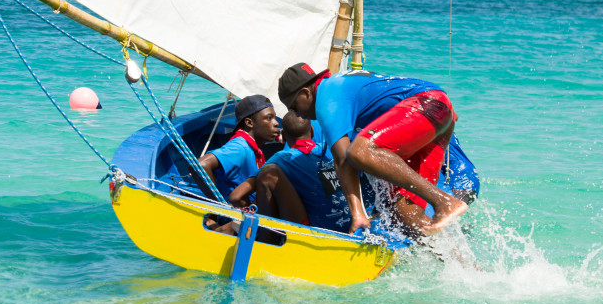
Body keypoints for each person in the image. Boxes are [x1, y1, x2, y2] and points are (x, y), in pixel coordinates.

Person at [278, 63, 468, 238]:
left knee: (359, 151)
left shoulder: (326, 98)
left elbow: (343, 158)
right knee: (404, 217)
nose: (298, 114)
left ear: (305, 93)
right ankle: (465, 267)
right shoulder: (338, 85)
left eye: (294, 107)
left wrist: (358, 214)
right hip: (438, 112)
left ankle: (444, 202)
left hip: (427, 104)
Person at [243, 112, 354, 232]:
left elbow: (236, 195)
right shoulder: (328, 150)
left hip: (316, 232)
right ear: (311, 131)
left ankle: (266, 238)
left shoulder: (283, 158)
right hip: (350, 226)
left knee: (268, 173)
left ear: (283, 136)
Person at [196, 94, 279, 207]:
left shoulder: (252, 147)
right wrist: (219, 206)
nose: (276, 123)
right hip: (236, 214)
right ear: (249, 123)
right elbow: (200, 165)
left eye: (274, 117)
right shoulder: (240, 147)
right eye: (269, 118)